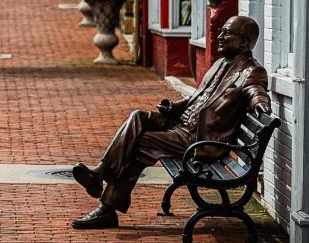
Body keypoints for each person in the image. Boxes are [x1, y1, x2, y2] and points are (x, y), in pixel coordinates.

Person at [69, 15, 271, 229]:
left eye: (227, 33)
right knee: (138, 116)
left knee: (141, 143)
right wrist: (175, 107)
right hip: (181, 126)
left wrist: (260, 103)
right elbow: (200, 96)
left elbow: (255, 90)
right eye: (221, 31)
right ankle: (100, 174)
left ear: (244, 42)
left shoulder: (251, 71)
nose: (219, 36)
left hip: (198, 140)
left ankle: (105, 203)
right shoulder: (220, 63)